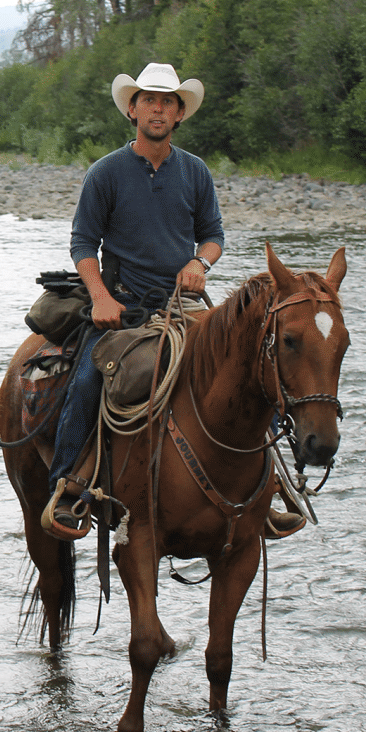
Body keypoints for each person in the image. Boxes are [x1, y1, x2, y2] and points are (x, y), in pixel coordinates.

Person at [41, 62, 302, 541]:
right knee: (88, 380)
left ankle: (272, 488)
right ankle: (69, 487)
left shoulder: (195, 172)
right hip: (123, 302)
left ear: (179, 114)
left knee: (250, 365)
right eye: (149, 100)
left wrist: (200, 264)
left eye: (167, 102)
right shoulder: (106, 173)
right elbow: (83, 243)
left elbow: (213, 236)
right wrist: (99, 296)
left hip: (183, 301)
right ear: (133, 109)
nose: (158, 109)